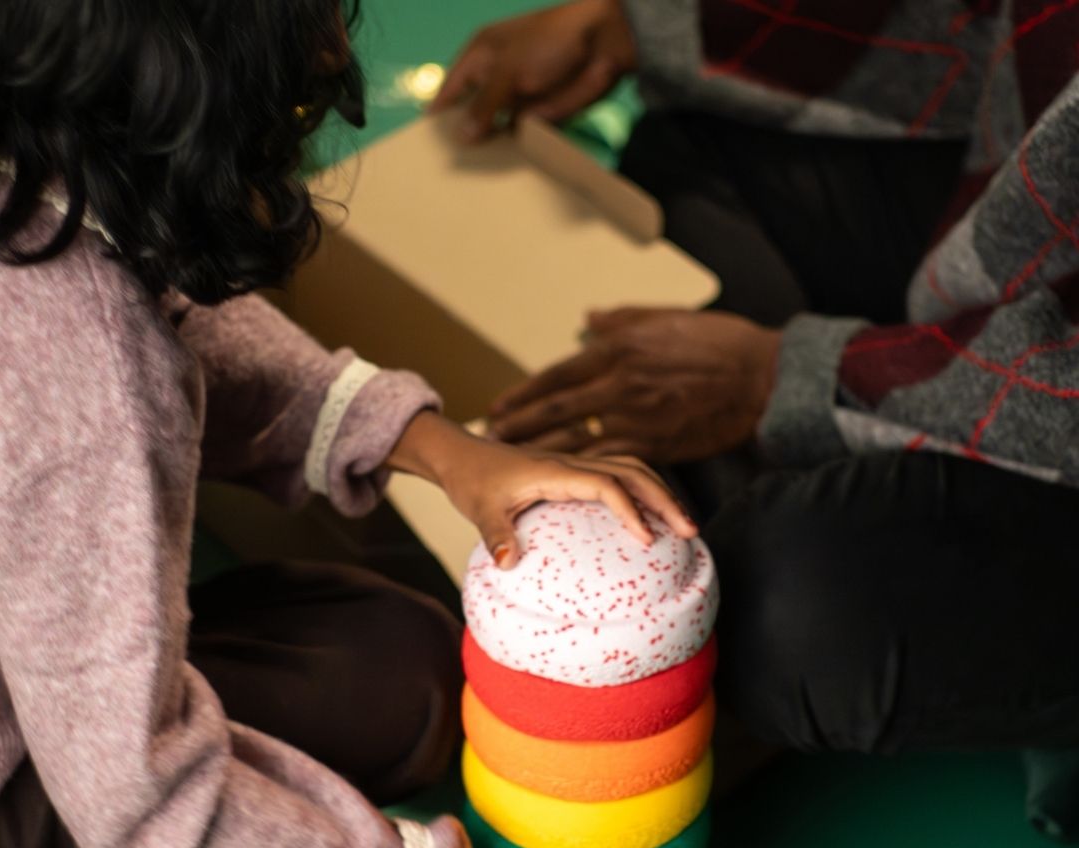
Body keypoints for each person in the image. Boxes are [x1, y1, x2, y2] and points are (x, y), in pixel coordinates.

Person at [0, 0, 707, 848]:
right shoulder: (88, 380)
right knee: (403, 676)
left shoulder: (40, 160)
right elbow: (132, 800)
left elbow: (148, 298)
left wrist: (441, 449)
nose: (335, 52)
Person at [436, 3, 1079, 774]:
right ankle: (792, 483)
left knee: (789, 609)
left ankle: (781, 525)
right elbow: (995, 34)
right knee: (690, 151)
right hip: (1018, 251)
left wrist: (794, 376)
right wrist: (638, 26)